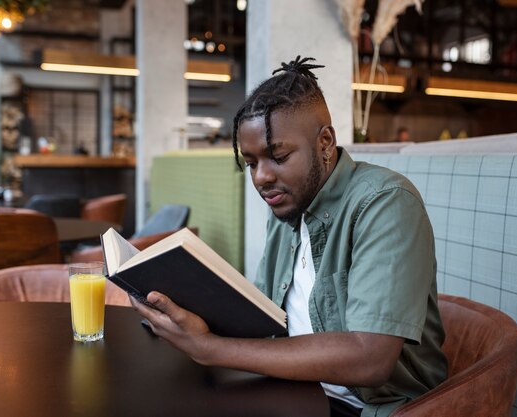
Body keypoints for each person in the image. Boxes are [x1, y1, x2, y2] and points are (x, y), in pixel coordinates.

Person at [131, 56, 447, 417]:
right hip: (294, 394)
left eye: (277, 156)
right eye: (251, 163)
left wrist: (211, 349)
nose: (261, 177)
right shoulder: (287, 210)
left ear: (325, 142)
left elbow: (369, 359)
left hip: (369, 408)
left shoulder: (385, 203)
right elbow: (260, 318)